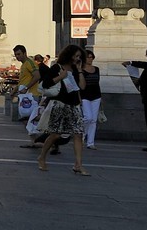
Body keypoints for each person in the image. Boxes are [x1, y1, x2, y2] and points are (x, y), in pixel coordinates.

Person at [36, 43, 89, 174]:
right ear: (69, 55)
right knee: (55, 134)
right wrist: (61, 76)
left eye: (79, 56)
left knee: (78, 134)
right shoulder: (56, 67)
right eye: (75, 56)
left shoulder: (76, 69)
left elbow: (82, 87)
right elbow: (46, 83)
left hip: (74, 105)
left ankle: (78, 164)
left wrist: (80, 70)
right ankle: (42, 157)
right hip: (60, 104)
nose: (77, 58)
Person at [80, 49, 103, 149]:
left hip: (96, 95)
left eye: (91, 57)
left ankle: (90, 142)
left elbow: (97, 83)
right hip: (85, 95)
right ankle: (81, 135)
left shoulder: (96, 69)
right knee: (87, 117)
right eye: (88, 57)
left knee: (93, 120)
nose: (90, 59)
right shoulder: (80, 70)